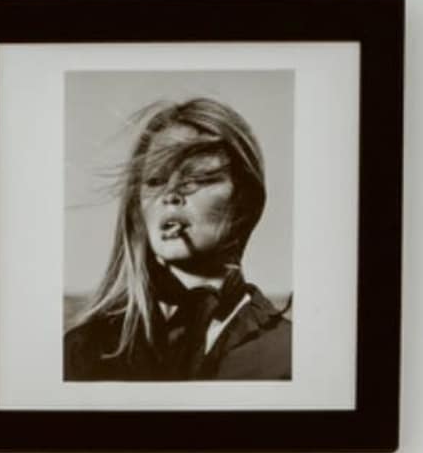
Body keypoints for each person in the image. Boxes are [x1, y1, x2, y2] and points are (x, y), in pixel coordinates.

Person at [63, 94, 290, 382]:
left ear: (244, 201)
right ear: (136, 209)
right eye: (155, 181)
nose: (171, 195)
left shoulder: (287, 356)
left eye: (197, 179)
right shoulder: (84, 352)